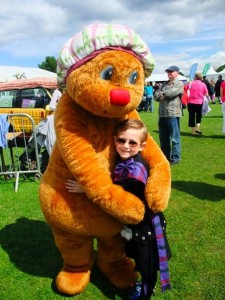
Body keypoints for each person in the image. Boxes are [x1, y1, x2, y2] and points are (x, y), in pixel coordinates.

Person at [66, 119, 172, 300]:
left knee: (148, 265)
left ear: (142, 146)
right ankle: (144, 284)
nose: (125, 146)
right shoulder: (126, 162)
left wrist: (86, 189)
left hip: (146, 229)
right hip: (135, 226)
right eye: (121, 140)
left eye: (133, 142)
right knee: (138, 259)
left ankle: (145, 292)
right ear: (114, 140)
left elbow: (113, 196)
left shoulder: (134, 173)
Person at [154, 65, 184, 165]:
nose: (169, 73)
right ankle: (165, 156)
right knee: (163, 137)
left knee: (175, 138)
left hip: (172, 114)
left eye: (171, 71)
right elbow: (156, 95)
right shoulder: (164, 84)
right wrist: (161, 94)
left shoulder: (179, 84)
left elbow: (171, 93)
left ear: (177, 73)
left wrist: (162, 94)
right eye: (168, 72)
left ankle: (175, 157)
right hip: (162, 114)